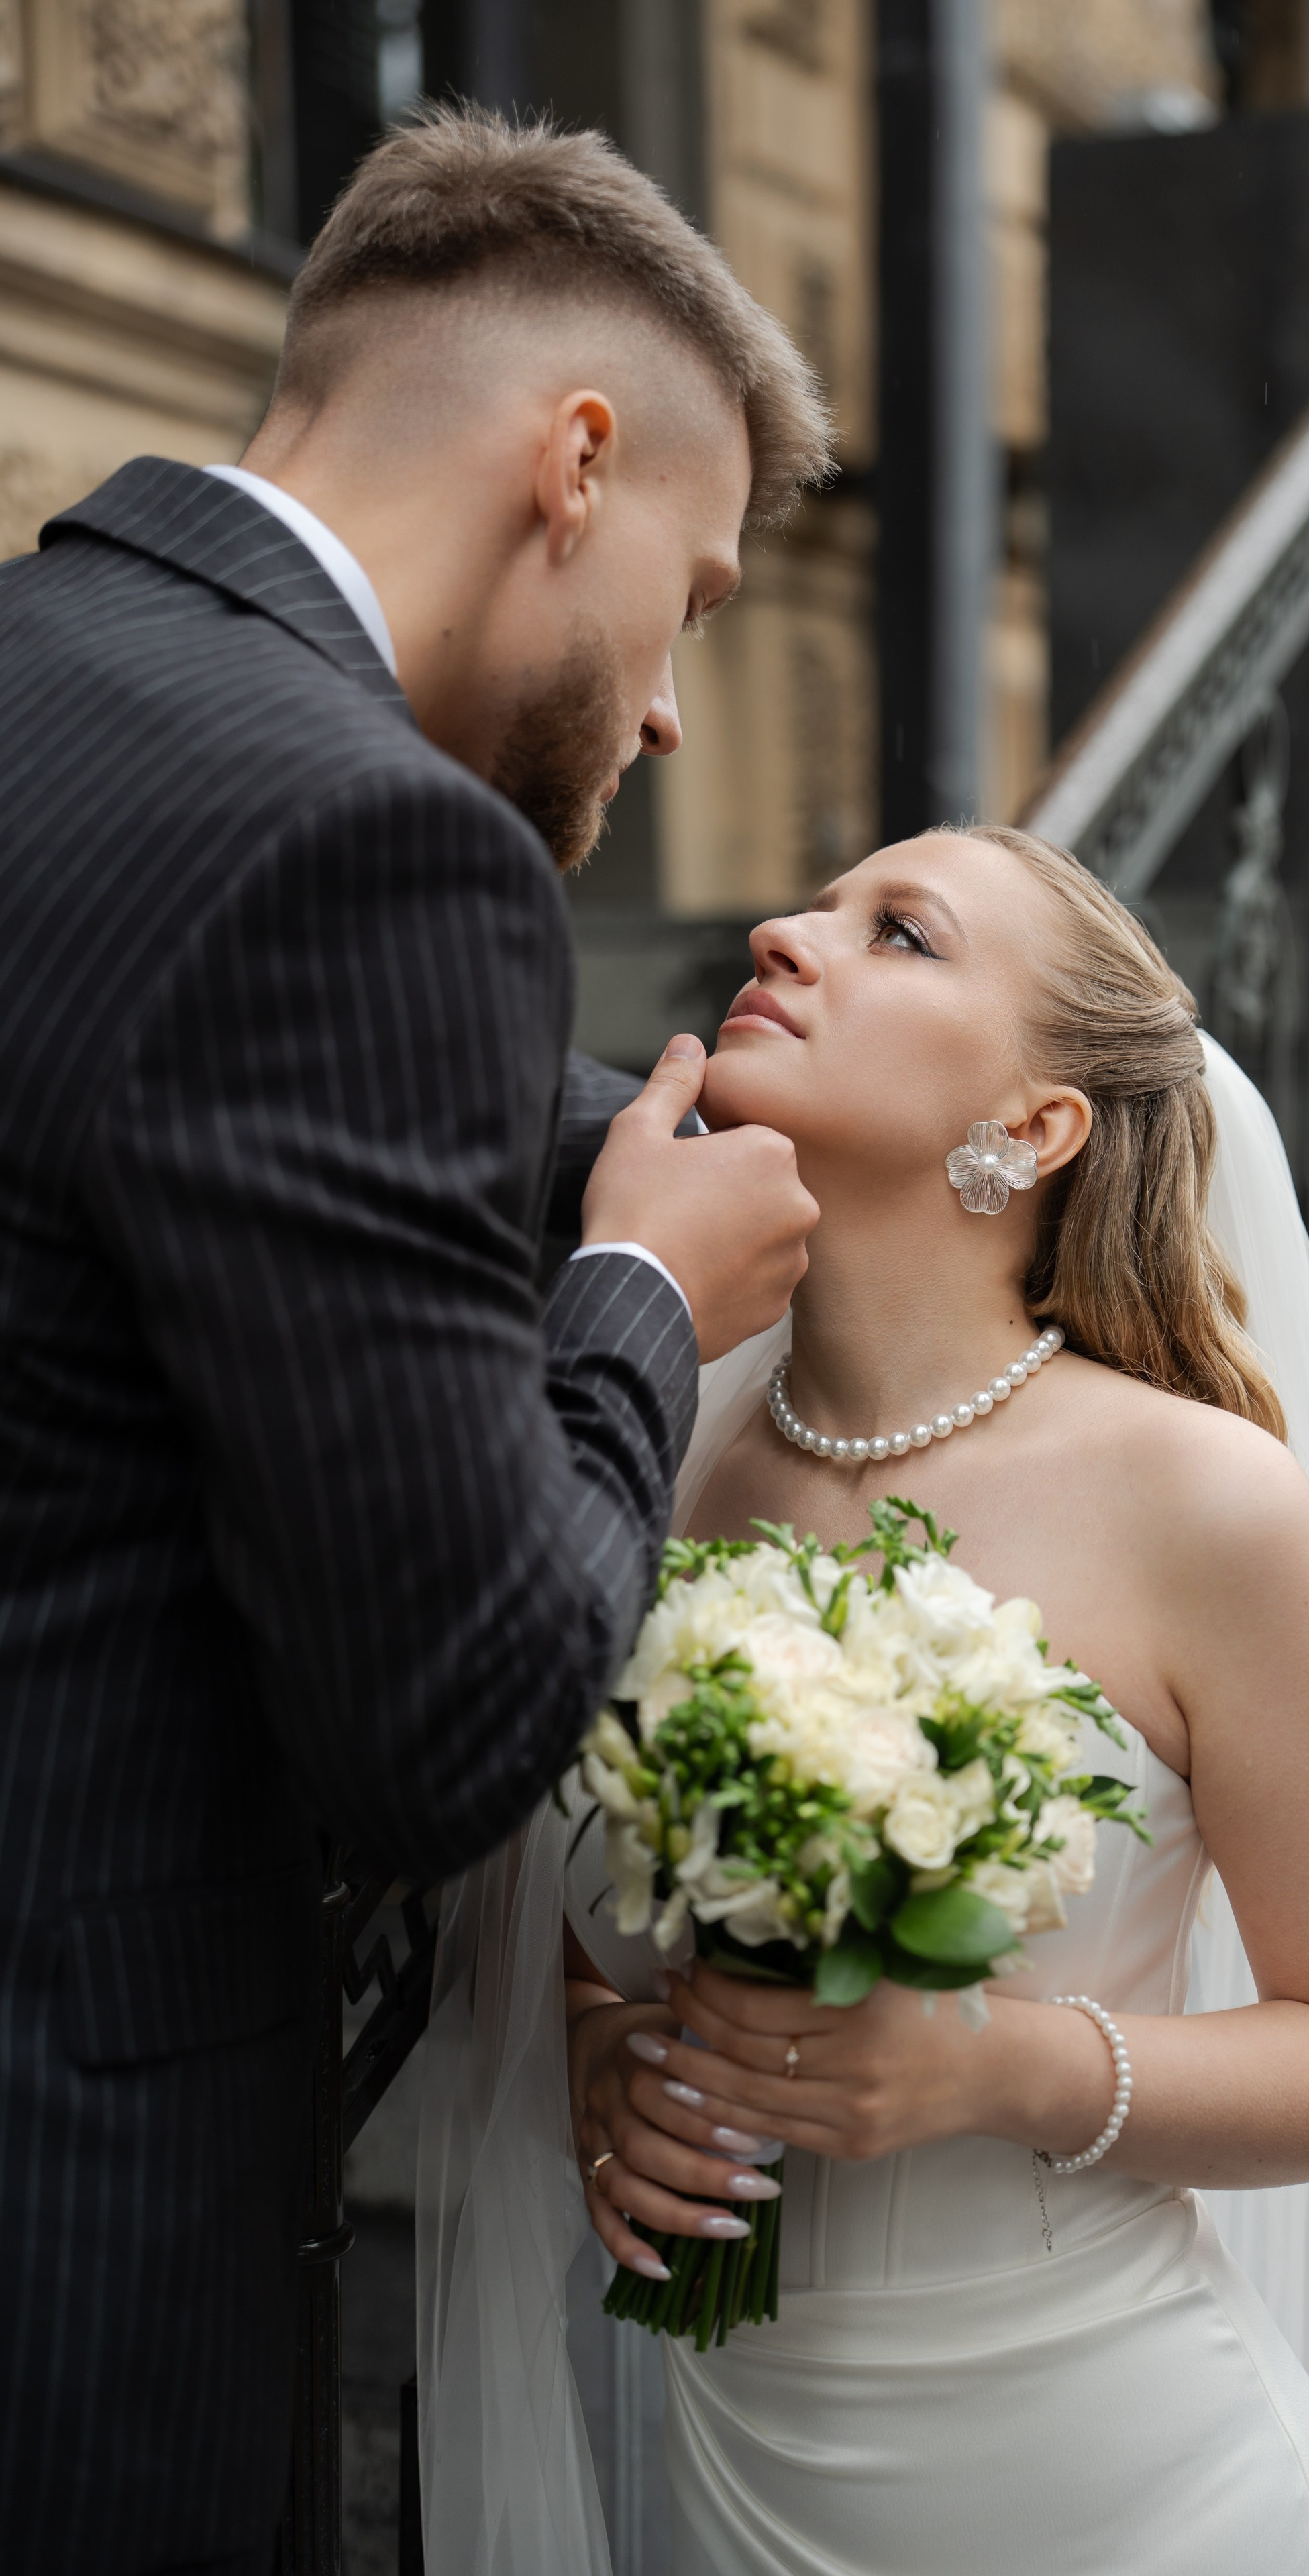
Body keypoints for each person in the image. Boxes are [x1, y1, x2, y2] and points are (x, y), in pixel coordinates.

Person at [0, 108, 827, 2576]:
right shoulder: (377, 842)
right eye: (692, 599)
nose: (673, 716)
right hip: (75, 2237)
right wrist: (644, 1304)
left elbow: (148, 1126)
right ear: (573, 461)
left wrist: (610, 1137)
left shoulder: (54, 682)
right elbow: (453, 1710)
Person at [424, 824, 1309, 2574]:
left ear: (1032, 1130)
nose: (787, 929)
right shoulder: (651, 1448)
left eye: (900, 933)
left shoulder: (1207, 1506)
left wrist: (989, 2064)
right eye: (814, 902)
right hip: (738, 2478)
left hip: (1132, 2491)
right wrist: (605, 2051)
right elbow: (567, 1893)